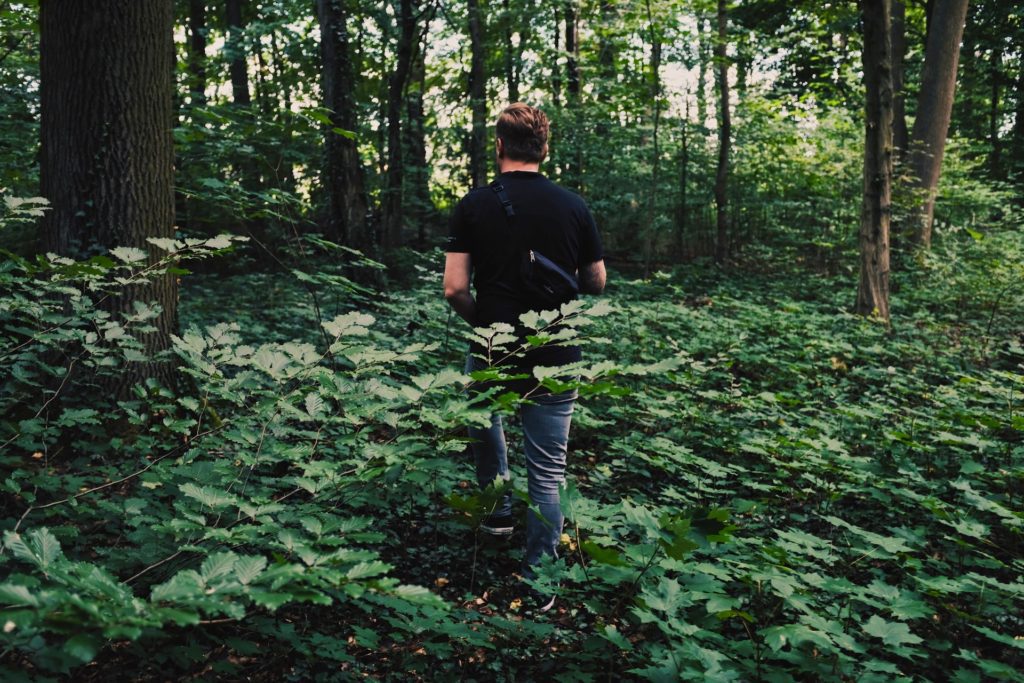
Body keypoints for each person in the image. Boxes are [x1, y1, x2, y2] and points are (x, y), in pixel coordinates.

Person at [442, 102, 606, 612]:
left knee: (482, 420)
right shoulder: (574, 205)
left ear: (499, 146)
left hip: (492, 349)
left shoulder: (473, 204)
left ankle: (496, 511)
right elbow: (596, 281)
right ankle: (540, 583)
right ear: (544, 148)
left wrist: (487, 327)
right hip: (556, 352)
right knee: (548, 469)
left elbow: (453, 289)